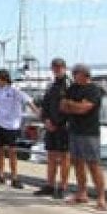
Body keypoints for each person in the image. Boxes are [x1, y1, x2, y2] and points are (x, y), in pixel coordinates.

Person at [60, 63, 107, 210]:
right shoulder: (72, 88)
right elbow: (62, 106)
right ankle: (82, 193)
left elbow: (84, 109)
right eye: (73, 73)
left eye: (76, 73)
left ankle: (101, 197)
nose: (74, 75)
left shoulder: (93, 89)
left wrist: (72, 105)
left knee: (93, 164)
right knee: (77, 163)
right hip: (74, 130)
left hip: (89, 132)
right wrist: (74, 105)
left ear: (84, 74)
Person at [34, 58, 72, 199]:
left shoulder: (69, 85)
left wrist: (59, 122)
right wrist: (46, 120)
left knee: (64, 157)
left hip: (64, 127)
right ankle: (50, 185)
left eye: (59, 67)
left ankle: (63, 186)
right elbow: (45, 105)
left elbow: (70, 107)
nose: (56, 69)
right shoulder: (51, 85)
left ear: (64, 67)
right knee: (50, 156)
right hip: (50, 125)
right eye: (54, 67)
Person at [0, 68, 26, 188]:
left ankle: (14, 177)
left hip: (11, 124)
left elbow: (27, 100)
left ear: (5, 79)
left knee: (12, 151)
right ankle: (0, 175)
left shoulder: (14, 90)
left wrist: (37, 112)